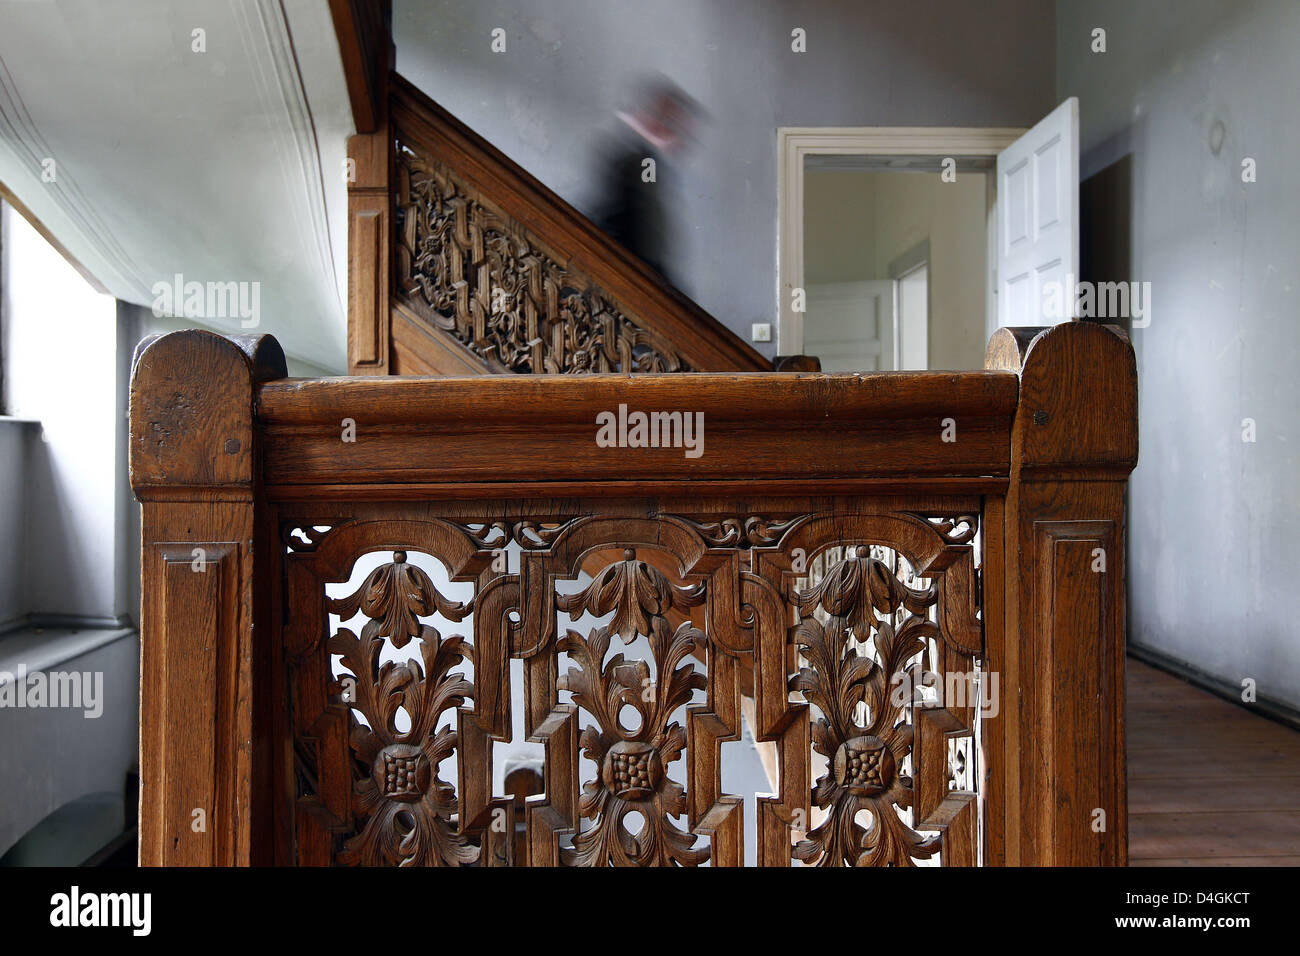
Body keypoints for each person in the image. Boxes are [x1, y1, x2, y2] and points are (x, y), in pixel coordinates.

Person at [591, 77, 702, 285]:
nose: (679, 132)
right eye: (672, 121)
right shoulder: (644, 163)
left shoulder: (649, 163)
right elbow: (645, 225)